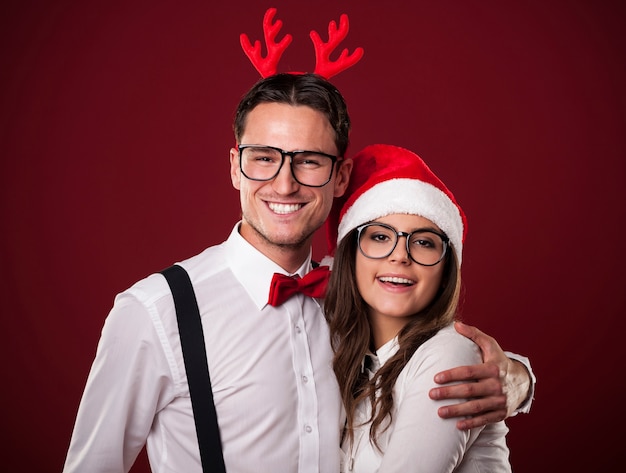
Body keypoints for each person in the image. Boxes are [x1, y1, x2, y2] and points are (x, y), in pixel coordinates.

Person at [63, 73, 534, 473]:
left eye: (309, 161)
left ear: (341, 177)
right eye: (264, 157)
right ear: (235, 166)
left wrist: (516, 379)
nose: (285, 183)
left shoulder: (359, 292)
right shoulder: (154, 311)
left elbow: (423, 352)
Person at [324, 143, 512, 472]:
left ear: (444, 271)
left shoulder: (450, 355)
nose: (400, 255)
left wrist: (519, 380)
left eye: (424, 242)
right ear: (350, 256)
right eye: (380, 237)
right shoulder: (344, 355)